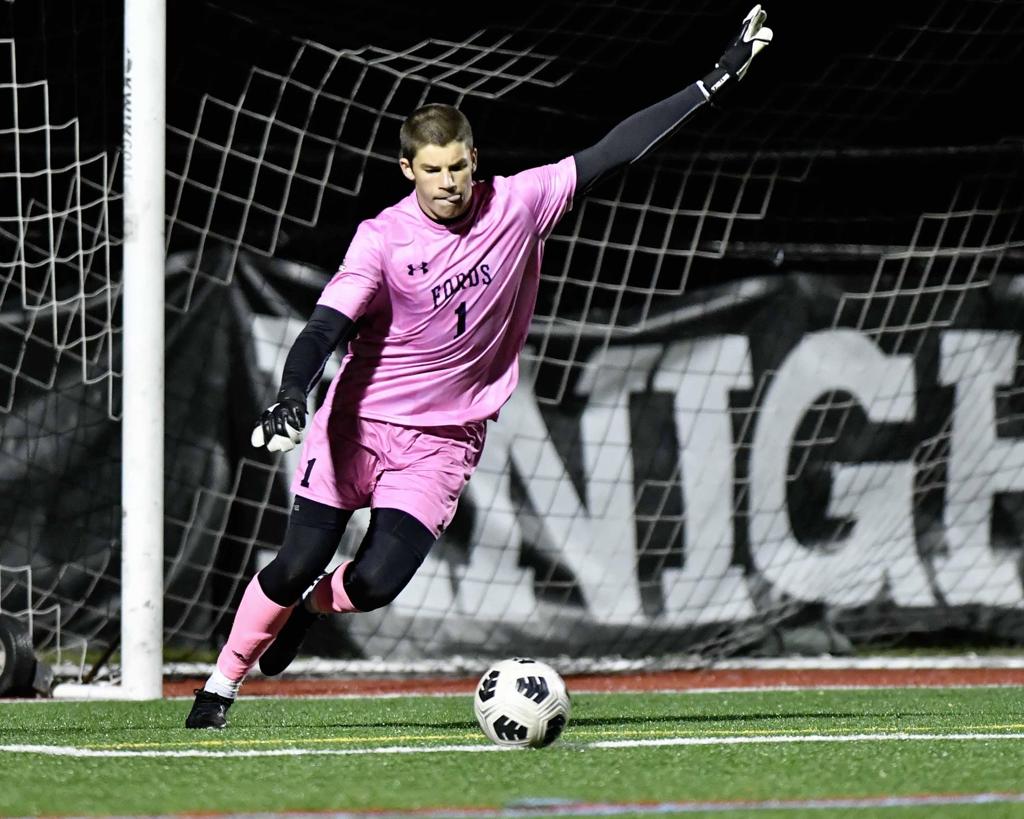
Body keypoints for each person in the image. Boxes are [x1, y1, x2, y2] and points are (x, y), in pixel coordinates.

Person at [186, 5, 772, 729]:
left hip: (441, 441)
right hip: (357, 425)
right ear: (408, 170)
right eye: (432, 170)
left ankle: (309, 610)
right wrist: (289, 395)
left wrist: (713, 81)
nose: (448, 182)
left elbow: (613, 152)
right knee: (295, 559)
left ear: (474, 159)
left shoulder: (518, 204)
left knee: (376, 583)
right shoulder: (382, 239)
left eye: (458, 166)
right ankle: (219, 687)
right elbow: (324, 327)